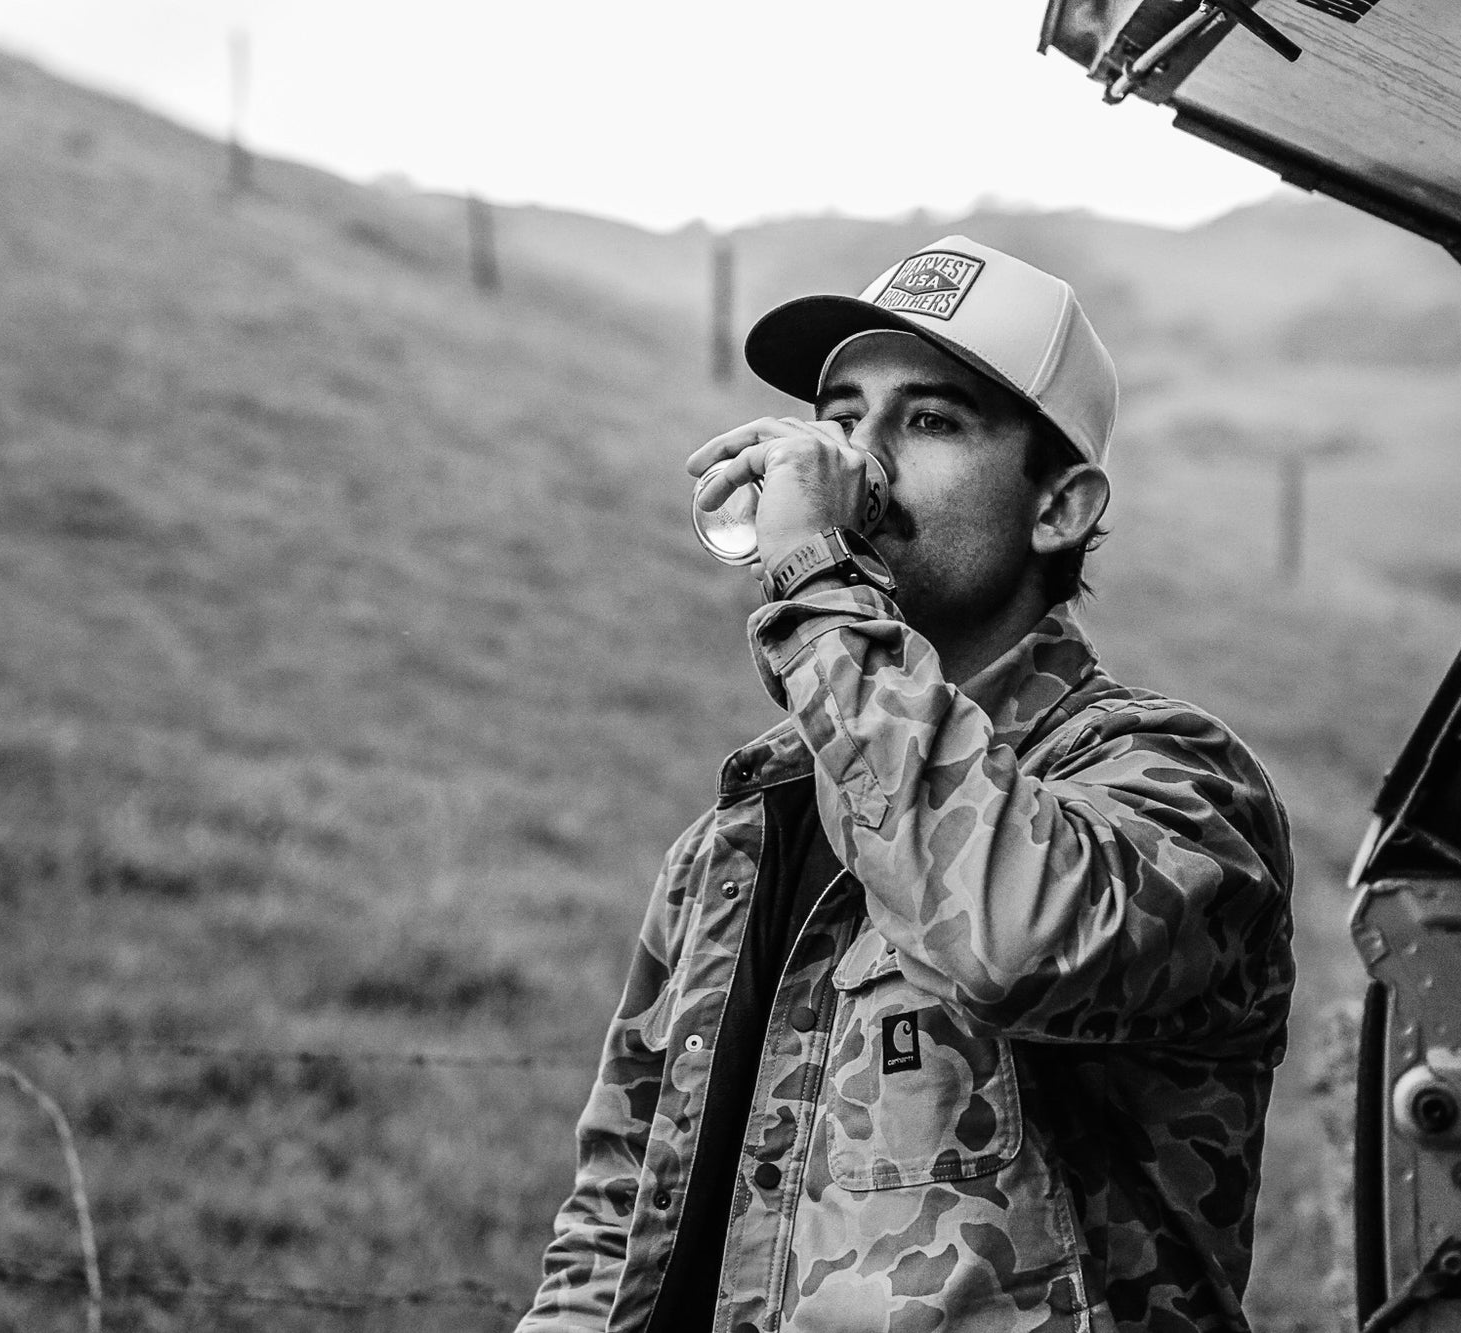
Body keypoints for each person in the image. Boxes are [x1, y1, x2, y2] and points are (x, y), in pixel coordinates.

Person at [517, 236, 1295, 1333]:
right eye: (840, 418)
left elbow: (1007, 939)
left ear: (1060, 505)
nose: (860, 463)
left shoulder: (1176, 782)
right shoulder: (738, 837)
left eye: (928, 421)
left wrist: (816, 581)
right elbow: (617, 1209)